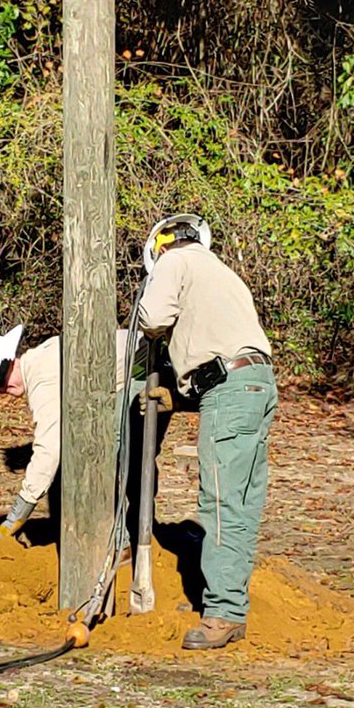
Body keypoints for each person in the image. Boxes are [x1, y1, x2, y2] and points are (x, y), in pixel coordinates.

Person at [138, 213, 277, 651]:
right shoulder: (222, 274)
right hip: (256, 386)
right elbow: (221, 358)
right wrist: (179, 398)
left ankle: (222, 614)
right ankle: (227, 603)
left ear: (159, 247)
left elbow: (152, 317)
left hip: (231, 394)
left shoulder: (173, 262)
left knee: (218, 502)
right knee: (242, 503)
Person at [0, 325, 155, 540]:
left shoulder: (42, 377)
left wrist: (18, 513)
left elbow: (49, 448)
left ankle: (119, 540)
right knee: (116, 448)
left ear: (12, 361)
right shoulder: (41, 358)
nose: (1, 390)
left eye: (0, 380)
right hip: (140, 367)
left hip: (146, 367)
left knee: (100, 450)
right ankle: (135, 534)